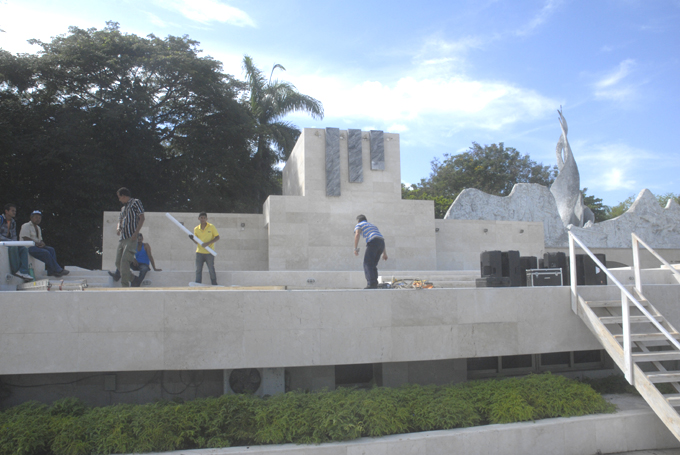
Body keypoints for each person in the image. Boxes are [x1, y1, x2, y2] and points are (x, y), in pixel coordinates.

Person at [108, 188, 145, 287]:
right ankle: (133, 279)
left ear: (124, 196)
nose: (119, 199)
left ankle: (124, 285)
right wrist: (118, 228)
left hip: (131, 237)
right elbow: (120, 220)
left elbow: (142, 217)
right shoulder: (123, 208)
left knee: (124, 262)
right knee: (118, 262)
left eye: (119, 197)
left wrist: (136, 233)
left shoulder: (135, 202)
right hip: (122, 238)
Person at [20, 210, 69, 277]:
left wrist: (42, 243)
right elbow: (25, 237)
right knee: (45, 252)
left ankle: (51, 272)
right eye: (36, 217)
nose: (38, 219)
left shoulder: (38, 228)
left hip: (36, 246)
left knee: (51, 249)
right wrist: (36, 243)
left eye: (39, 218)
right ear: (31, 217)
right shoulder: (26, 225)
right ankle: (58, 269)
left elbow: (40, 239)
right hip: (28, 247)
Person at [0, 203, 34, 281]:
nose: (14, 212)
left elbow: (14, 235)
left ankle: (23, 271)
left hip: (10, 242)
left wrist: (15, 242)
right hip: (2, 243)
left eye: (15, 211)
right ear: (6, 211)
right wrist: (11, 242)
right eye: (12, 211)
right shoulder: (0, 219)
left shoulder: (13, 222)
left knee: (23, 249)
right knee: (14, 248)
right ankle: (16, 271)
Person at [353, 214, 388, 289]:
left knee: (367, 263)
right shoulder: (373, 226)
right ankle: (374, 283)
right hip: (381, 243)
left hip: (373, 242)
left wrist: (355, 248)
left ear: (358, 221)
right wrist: (384, 253)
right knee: (373, 264)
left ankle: (371, 283)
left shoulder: (359, 224)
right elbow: (380, 238)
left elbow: (357, 234)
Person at [193, 212, 219, 285]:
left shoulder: (211, 226)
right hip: (199, 252)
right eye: (201, 218)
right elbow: (196, 242)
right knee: (198, 269)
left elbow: (217, 237)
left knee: (211, 269)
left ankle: (214, 283)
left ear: (206, 219)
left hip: (209, 252)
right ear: (199, 218)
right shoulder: (196, 229)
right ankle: (198, 283)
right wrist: (192, 238)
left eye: (204, 218)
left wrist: (208, 243)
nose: (203, 219)